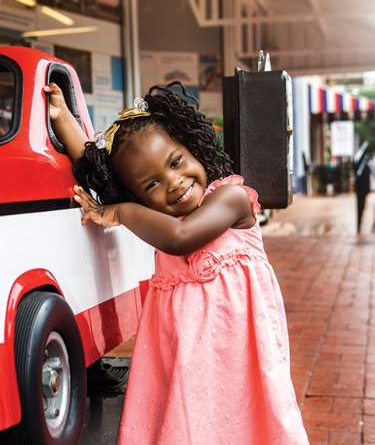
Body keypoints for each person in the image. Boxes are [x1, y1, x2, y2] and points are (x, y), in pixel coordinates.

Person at [44, 81, 310, 445]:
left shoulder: (231, 199)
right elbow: (100, 174)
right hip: (183, 358)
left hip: (239, 360)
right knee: (190, 422)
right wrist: (62, 120)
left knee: (242, 423)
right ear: (137, 196)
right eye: (151, 184)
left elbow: (180, 239)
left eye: (175, 161)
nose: (174, 183)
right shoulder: (156, 220)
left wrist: (120, 211)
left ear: (192, 146)